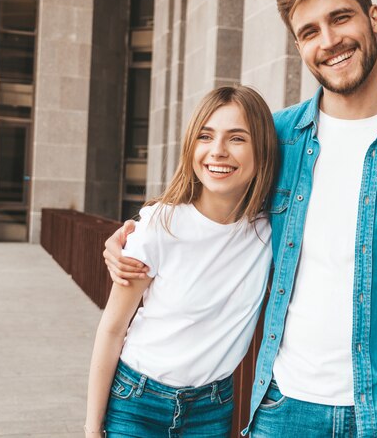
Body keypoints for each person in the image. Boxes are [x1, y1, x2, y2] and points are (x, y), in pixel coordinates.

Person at [103, 0, 377, 436]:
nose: (329, 41)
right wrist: (131, 236)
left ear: (374, 17)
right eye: (309, 32)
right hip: (285, 410)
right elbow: (203, 202)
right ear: (299, 47)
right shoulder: (273, 139)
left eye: (340, 18)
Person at [84, 85, 278, 438]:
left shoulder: (270, 231)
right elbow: (112, 329)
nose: (217, 151)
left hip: (212, 408)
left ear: (261, 151)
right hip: (137, 400)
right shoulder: (160, 225)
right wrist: (91, 427)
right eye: (206, 136)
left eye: (237, 139)